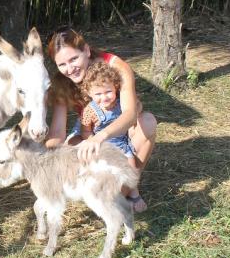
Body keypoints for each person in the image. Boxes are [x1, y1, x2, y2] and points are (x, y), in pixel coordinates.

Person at [45, 26, 157, 212]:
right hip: (88, 131)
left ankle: (125, 189)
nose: (70, 69)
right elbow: (57, 131)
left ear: (87, 51)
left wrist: (100, 137)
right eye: (62, 64)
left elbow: (130, 114)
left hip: (121, 130)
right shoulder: (61, 82)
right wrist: (45, 160)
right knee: (71, 145)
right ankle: (108, 191)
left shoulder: (115, 66)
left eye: (74, 59)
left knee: (148, 122)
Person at [79, 61, 147, 211]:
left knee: (131, 168)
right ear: (89, 93)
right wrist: (91, 142)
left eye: (108, 92)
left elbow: (136, 108)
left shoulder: (120, 104)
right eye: (98, 94)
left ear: (115, 87)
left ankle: (134, 192)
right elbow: (86, 131)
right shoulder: (90, 111)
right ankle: (109, 197)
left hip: (122, 143)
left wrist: (138, 108)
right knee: (106, 174)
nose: (104, 97)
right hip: (103, 146)